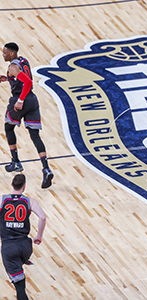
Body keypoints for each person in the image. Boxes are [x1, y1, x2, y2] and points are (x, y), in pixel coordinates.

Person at [0, 42, 53, 189]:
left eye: (5, 53)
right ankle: (46, 168)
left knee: (8, 128)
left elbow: (28, 82)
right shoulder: (23, 61)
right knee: (35, 135)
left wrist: (20, 101)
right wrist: (8, 78)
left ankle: (15, 161)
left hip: (21, 99)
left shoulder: (12, 66)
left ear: (11, 53)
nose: (3, 55)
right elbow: (23, 78)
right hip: (33, 100)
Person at [0, 174, 46, 300]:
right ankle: (22, 262)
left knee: (20, 288)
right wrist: (39, 236)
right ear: (24, 187)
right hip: (26, 246)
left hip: (9, 247)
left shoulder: (2, 199)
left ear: (11, 185)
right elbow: (42, 217)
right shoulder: (29, 201)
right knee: (18, 268)